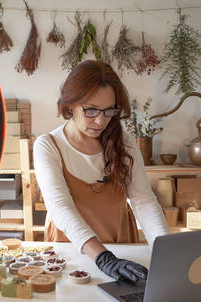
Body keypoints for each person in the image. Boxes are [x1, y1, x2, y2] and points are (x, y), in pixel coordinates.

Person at [33, 60, 169, 282]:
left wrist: (166, 250)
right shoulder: (48, 145)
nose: (100, 121)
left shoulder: (122, 142)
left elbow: (143, 199)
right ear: (70, 106)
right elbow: (60, 207)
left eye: (109, 111)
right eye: (91, 110)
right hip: (71, 252)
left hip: (121, 247)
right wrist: (104, 258)